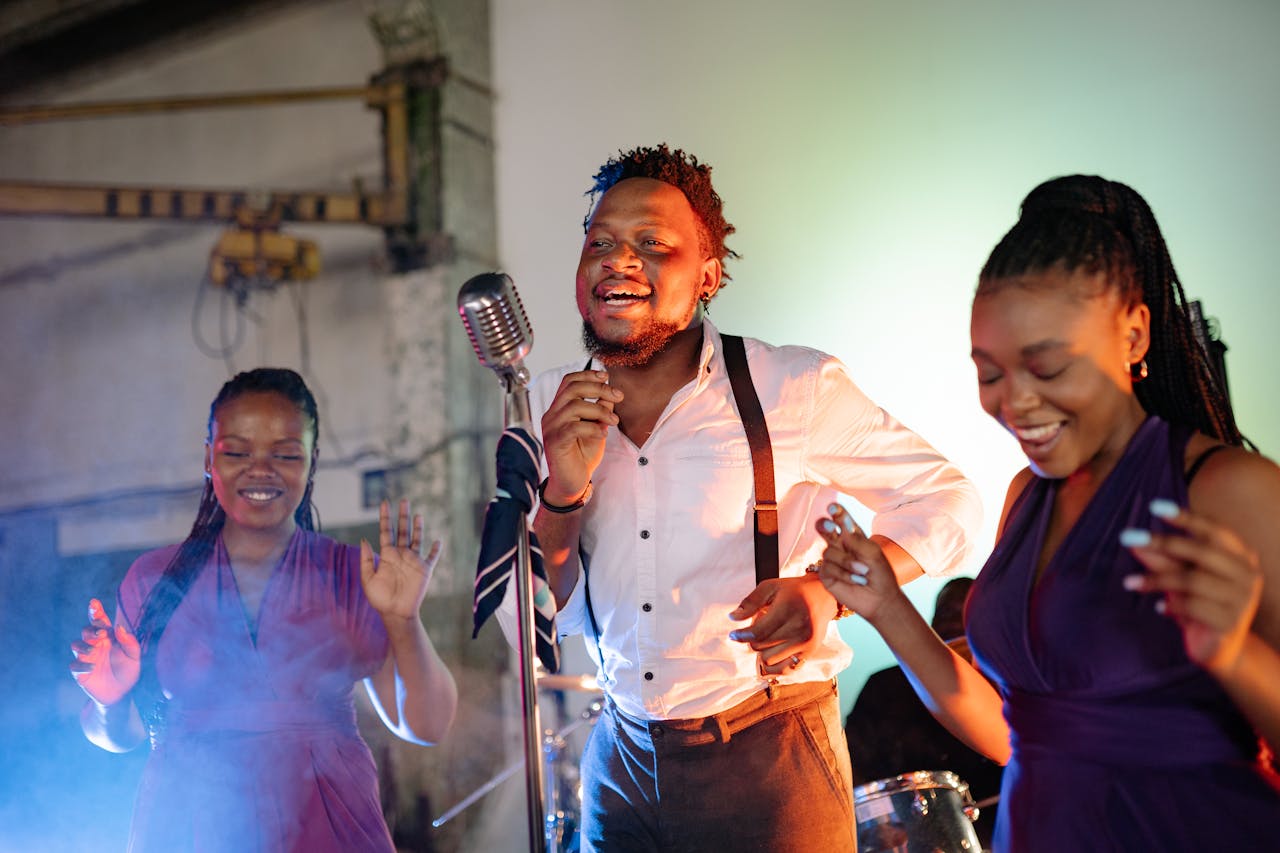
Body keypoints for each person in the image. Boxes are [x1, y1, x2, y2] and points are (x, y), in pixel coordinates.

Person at [503, 143, 982, 852]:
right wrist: (563, 496)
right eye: (600, 242)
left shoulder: (792, 387)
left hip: (771, 750)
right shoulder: (542, 405)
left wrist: (826, 593)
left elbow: (949, 501)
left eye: (651, 244)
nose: (618, 260)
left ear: (707, 274)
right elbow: (538, 622)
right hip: (619, 761)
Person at [816, 175, 1280, 851]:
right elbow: (1016, 733)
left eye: (1050, 368)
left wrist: (1235, 655)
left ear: (1134, 334)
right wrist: (886, 605)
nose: (1016, 404)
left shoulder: (1229, 489)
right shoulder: (1026, 497)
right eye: (991, 373)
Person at [68, 367, 458, 852]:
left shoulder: (353, 574)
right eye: (236, 452)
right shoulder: (154, 579)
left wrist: (403, 620)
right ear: (209, 459)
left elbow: (427, 725)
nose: (260, 470)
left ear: (312, 462)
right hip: (191, 831)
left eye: (286, 454)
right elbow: (116, 736)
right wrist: (108, 701)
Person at [844, 577, 1002, 846]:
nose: (953, 623)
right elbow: (850, 770)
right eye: (946, 613)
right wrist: (875, 823)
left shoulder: (1005, 689)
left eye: (965, 615)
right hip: (900, 839)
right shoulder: (885, 685)